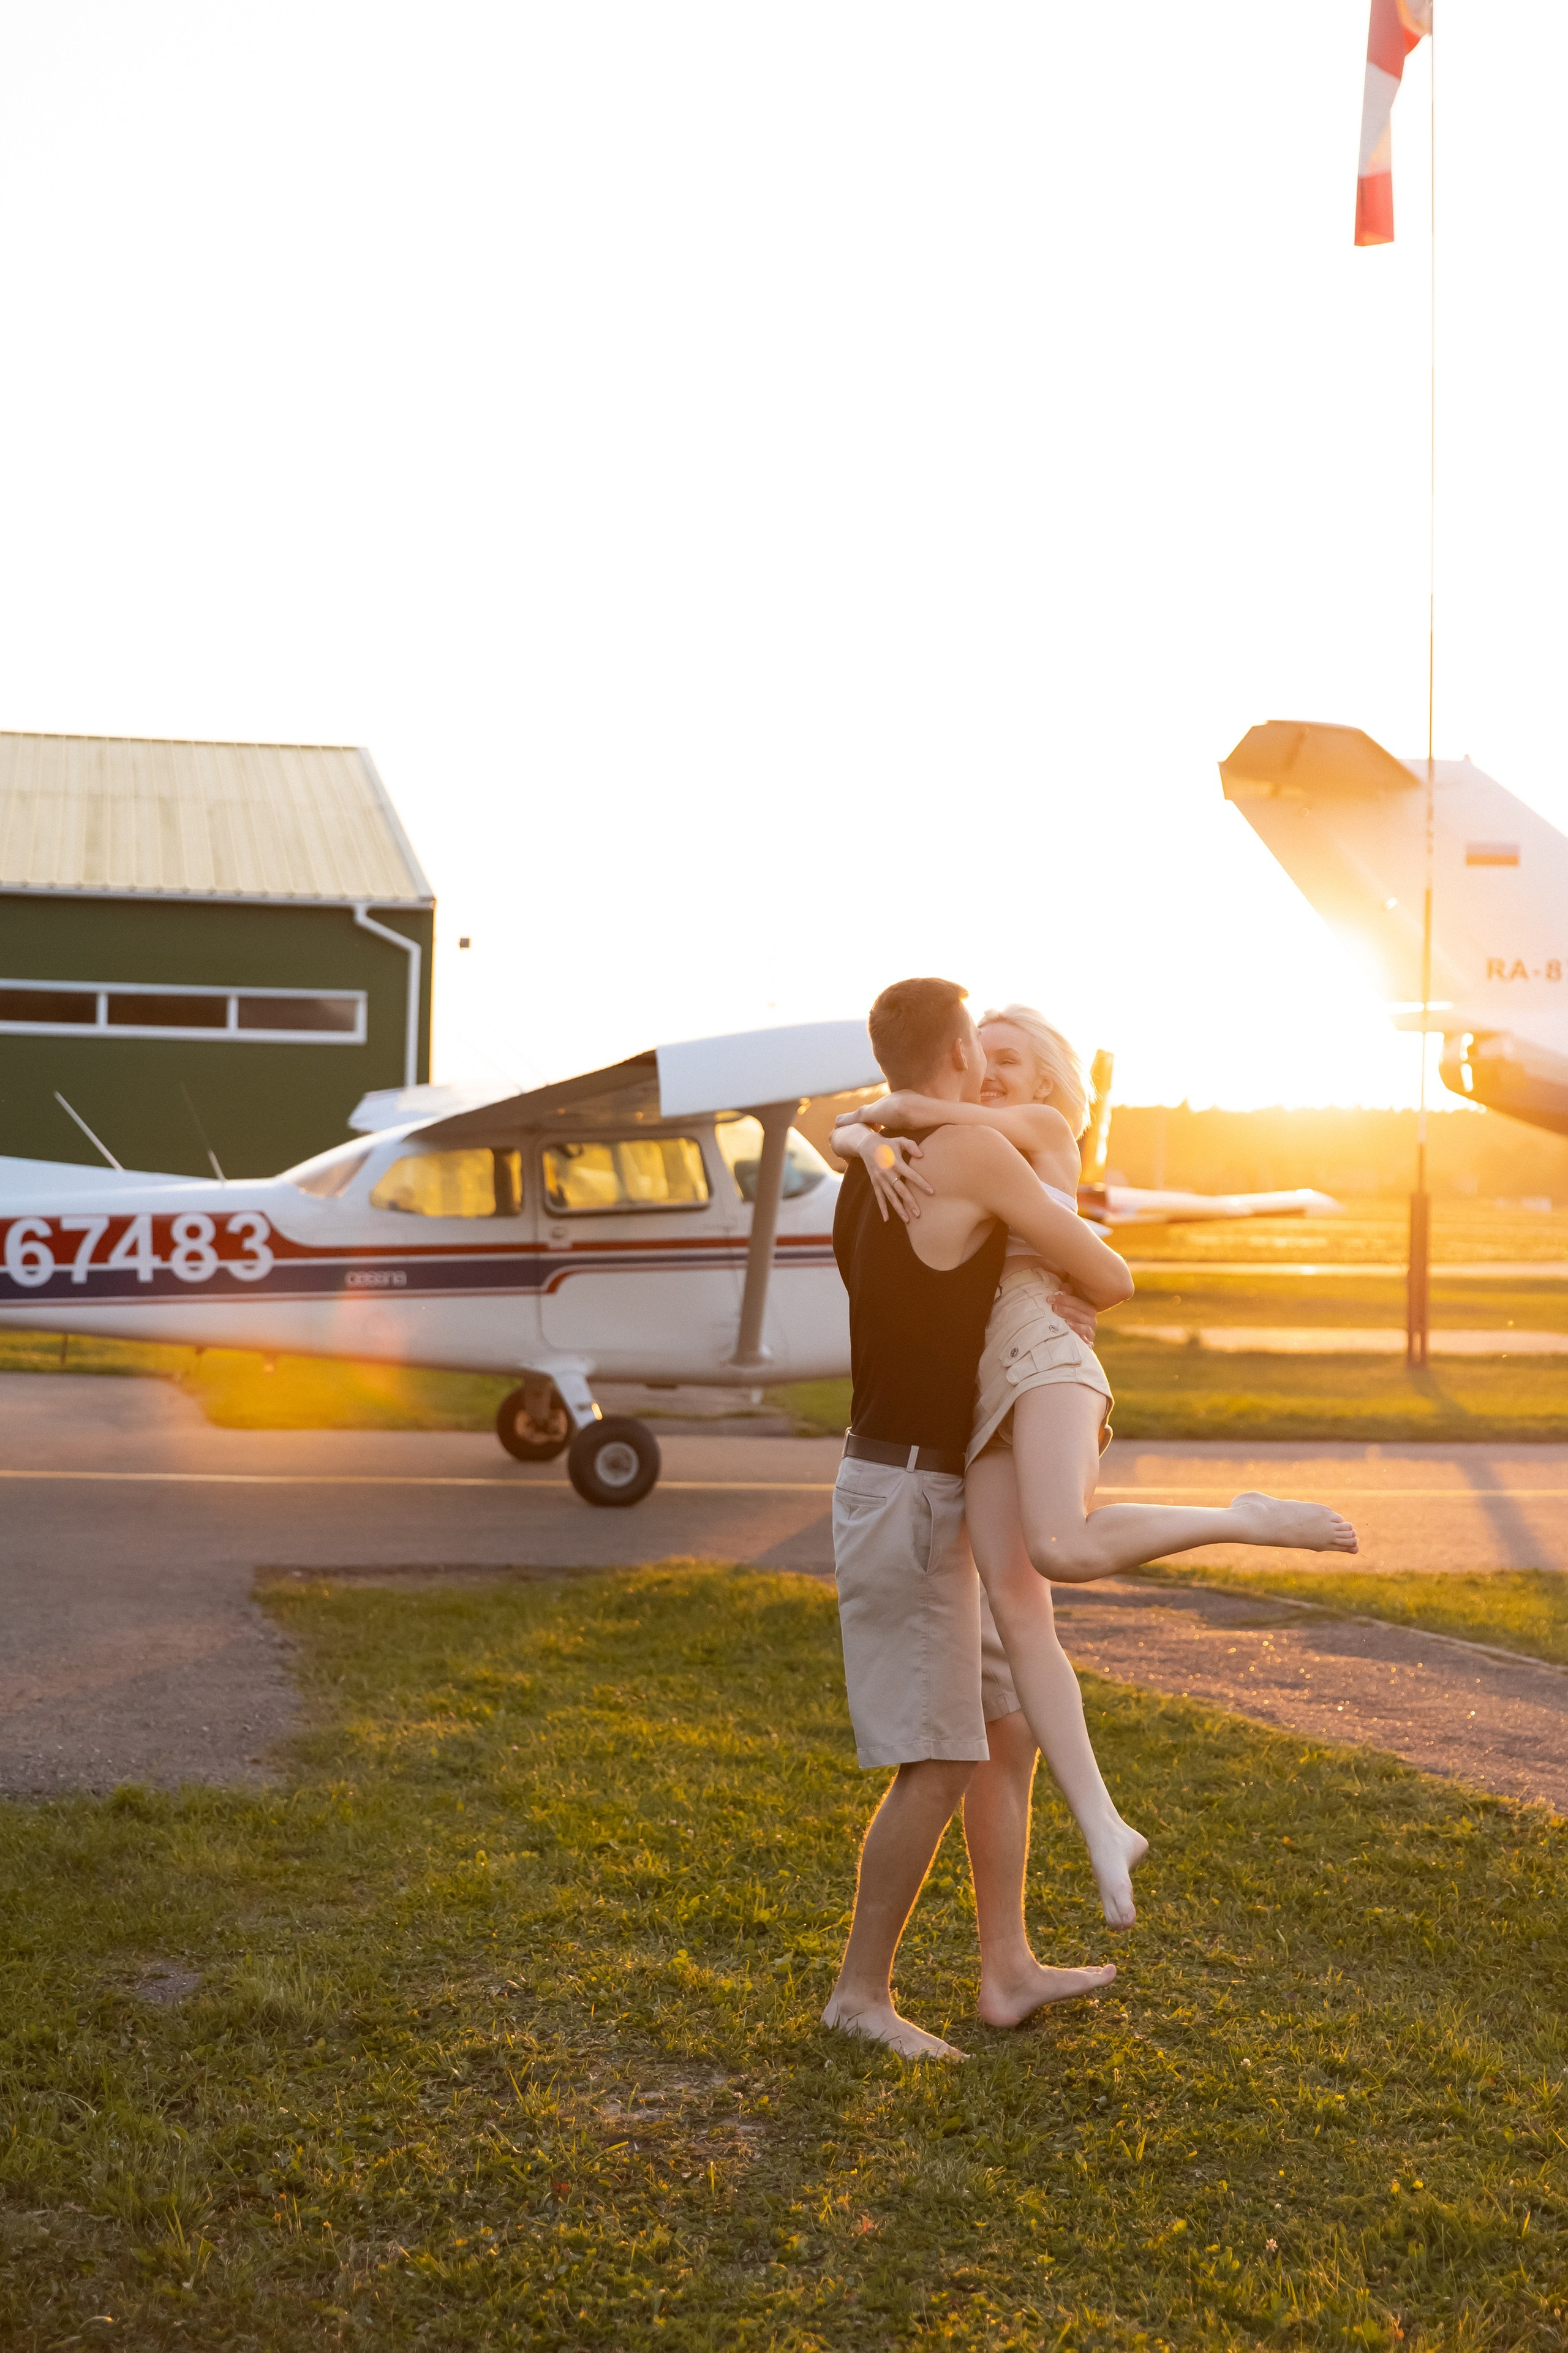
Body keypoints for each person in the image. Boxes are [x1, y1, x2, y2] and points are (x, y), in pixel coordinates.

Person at [832, 996, 1359, 1940]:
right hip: (991, 1384)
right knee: (1023, 1609)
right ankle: (1099, 1826)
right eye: (979, 1054)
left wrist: (890, 1122)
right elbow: (883, 1120)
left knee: (1061, 1546)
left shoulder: (1035, 1126)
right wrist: (870, 1137)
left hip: (1042, 1345)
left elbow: (1105, 1271)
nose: (990, 1070)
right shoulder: (937, 1139)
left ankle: (1243, 1515)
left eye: (1009, 1056)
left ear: (1047, 1078)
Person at [824, 978, 1139, 2060]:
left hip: (936, 1481)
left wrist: (866, 1130)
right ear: (959, 1049)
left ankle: (1006, 1964)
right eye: (982, 1047)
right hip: (910, 1488)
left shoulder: (882, 1151)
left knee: (1005, 1730)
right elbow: (1107, 1268)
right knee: (942, 1755)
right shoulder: (961, 1152)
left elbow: (859, 1128)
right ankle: (860, 1995)